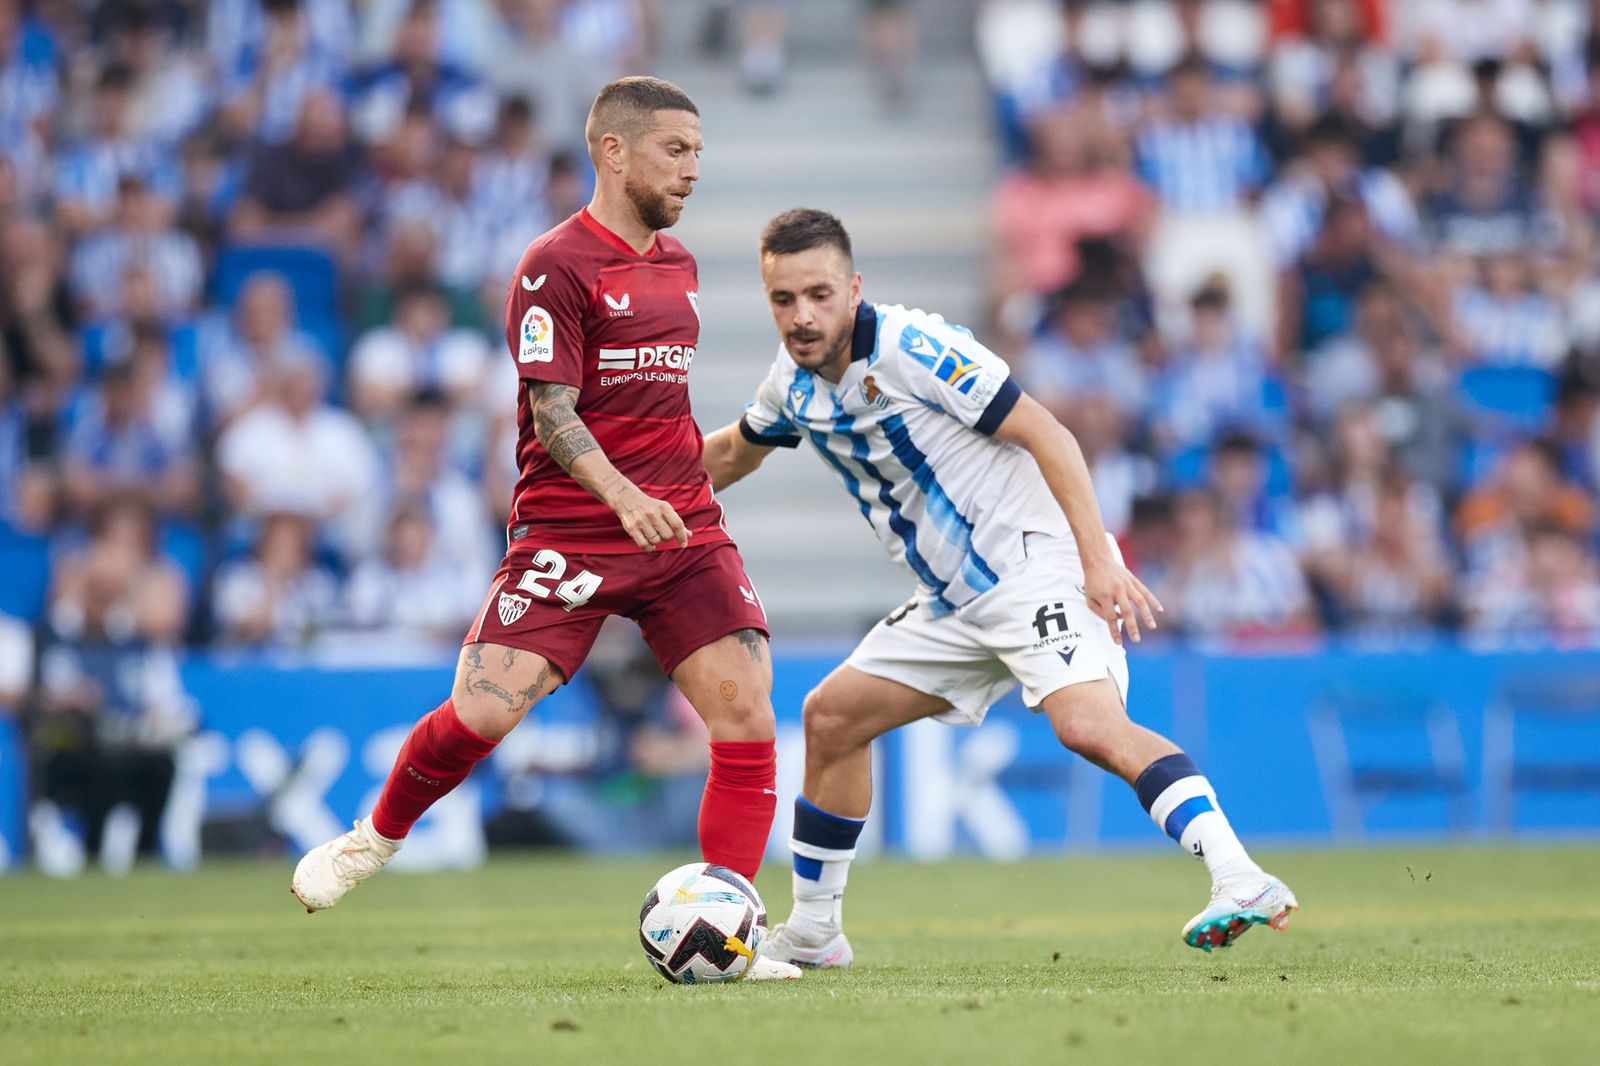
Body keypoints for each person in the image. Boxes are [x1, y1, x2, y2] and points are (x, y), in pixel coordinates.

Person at [288, 77, 799, 980]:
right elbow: (553, 414)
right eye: (675, 151)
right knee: (481, 713)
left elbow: (656, 412)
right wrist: (621, 495)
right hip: (572, 533)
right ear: (613, 150)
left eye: (698, 155)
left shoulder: (675, 265)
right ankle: (374, 838)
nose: (691, 170)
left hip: (679, 530)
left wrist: (716, 460)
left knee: (746, 714)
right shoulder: (552, 264)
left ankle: (730, 931)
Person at [703, 209, 1299, 967]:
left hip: (1030, 567)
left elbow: (1046, 432)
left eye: (819, 293)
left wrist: (1097, 560)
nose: (802, 315)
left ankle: (1240, 876)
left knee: (1087, 726)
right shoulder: (791, 386)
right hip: (953, 602)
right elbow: (728, 454)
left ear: (854, 288)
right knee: (830, 720)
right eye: (783, 299)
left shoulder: (918, 348)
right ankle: (817, 932)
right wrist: (619, 490)